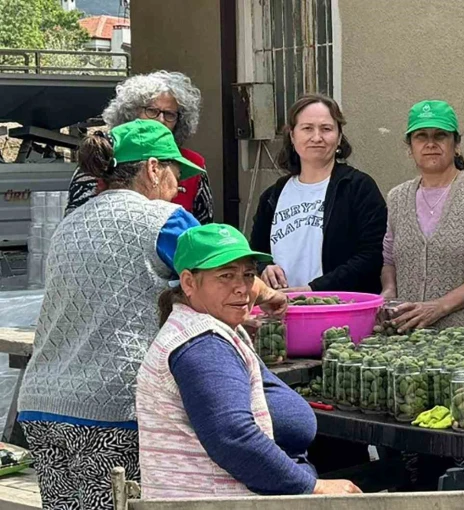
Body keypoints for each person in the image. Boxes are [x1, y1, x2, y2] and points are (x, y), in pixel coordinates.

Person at [16, 119, 205, 510]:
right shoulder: (164, 220)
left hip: (42, 404)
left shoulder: (70, 224)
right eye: (176, 172)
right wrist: (268, 294)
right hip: (112, 408)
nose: (179, 185)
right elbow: (219, 272)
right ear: (153, 168)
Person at [137, 223, 361, 498]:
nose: (241, 288)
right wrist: (313, 488)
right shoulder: (201, 344)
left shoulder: (211, 324)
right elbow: (234, 437)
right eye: (226, 276)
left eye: (248, 275)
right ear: (188, 282)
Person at [382, 99, 464, 490]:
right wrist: (389, 293)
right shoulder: (397, 197)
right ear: (409, 146)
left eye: (441, 135)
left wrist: (439, 307)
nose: (431, 144)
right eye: (421, 136)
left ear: (456, 143)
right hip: (410, 350)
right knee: (414, 455)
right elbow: (389, 257)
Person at [250, 94, 387, 294]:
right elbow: (255, 255)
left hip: (340, 308)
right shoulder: (273, 195)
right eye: (307, 128)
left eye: (326, 129)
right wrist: (264, 268)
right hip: (281, 309)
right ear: (292, 136)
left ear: (339, 137)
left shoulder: (358, 187)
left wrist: (313, 289)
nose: (316, 137)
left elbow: (372, 256)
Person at [67, 71, 214, 224]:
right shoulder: (101, 155)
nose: (160, 119)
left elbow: (204, 226)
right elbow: (76, 221)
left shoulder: (192, 162)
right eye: (151, 111)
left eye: (169, 114)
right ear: (131, 113)